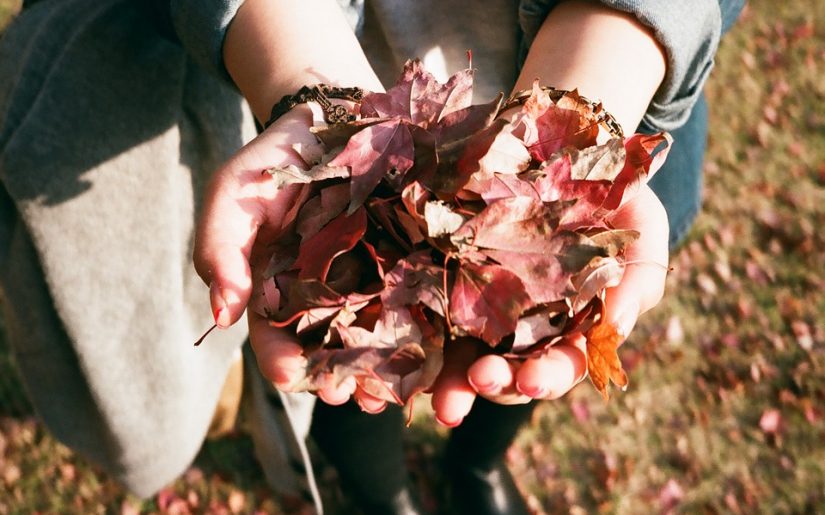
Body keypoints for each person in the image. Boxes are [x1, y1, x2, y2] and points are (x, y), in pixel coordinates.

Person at [0, 0, 743, 513]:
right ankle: (381, 495)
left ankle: (476, 464)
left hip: (609, 86)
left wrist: (590, 94)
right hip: (316, 66)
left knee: (531, 356)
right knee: (349, 369)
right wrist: (307, 86)